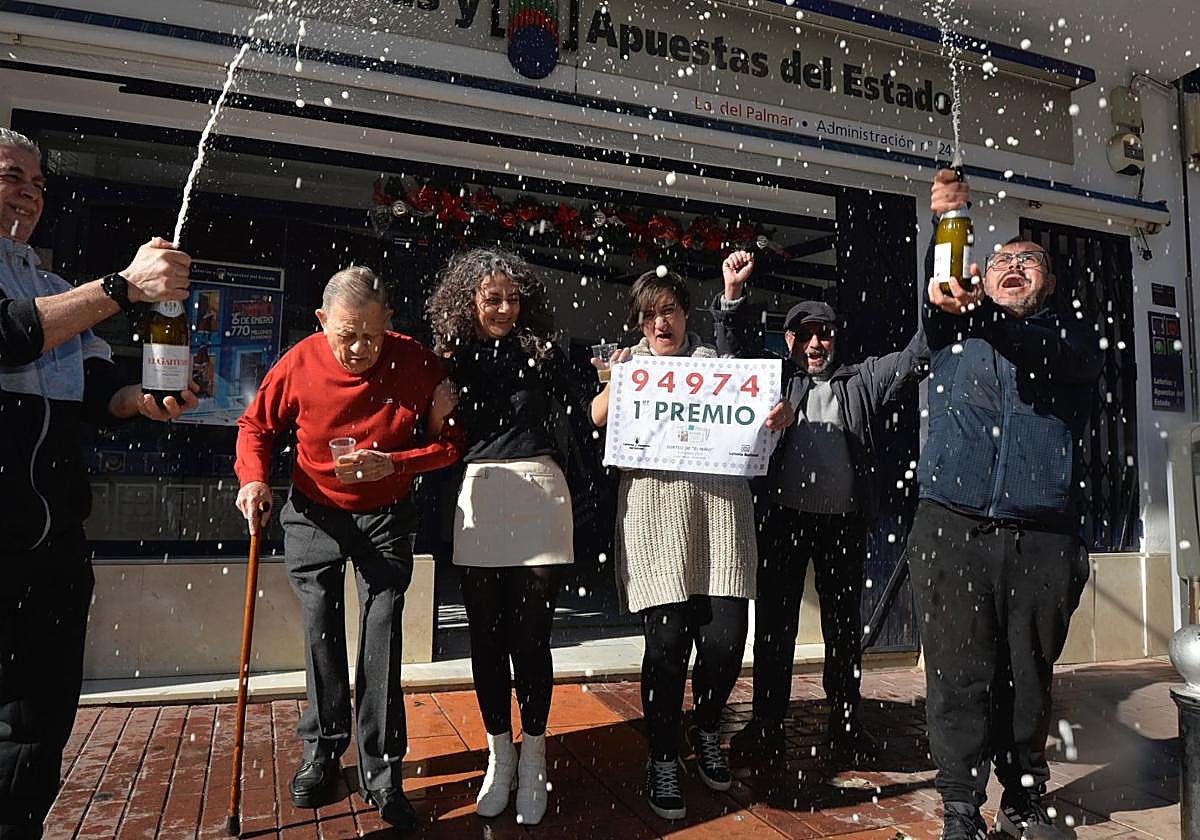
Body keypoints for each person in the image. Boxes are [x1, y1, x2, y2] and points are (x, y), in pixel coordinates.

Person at [0, 127, 196, 839]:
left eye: (39, 182)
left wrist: (146, 400)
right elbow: (12, 333)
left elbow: (96, 386)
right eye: (12, 175)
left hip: (52, 548)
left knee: (37, 729)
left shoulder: (55, 287)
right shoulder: (62, 298)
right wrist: (121, 287)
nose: (30, 190)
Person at [234, 266, 462, 830]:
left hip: (386, 513)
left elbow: (450, 443)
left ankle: (383, 769)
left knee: (382, 633)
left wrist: (398, 462)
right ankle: (323, 746)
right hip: (315, 511)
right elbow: (256, 427)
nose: (359, 348)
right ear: (322, 322)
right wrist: (253, 479)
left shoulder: (418, 363)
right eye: (346, 334)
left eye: (371, 334)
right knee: (320, 628)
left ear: (389, 322)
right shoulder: (300, 361)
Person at [911, 170, 1100, 840]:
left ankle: (1022, 794)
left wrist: (986, 312)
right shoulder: (954, 334)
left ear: (1048, 283)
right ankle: (960, 805)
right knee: (958, 674)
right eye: (1001, 261)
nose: (1014, 266)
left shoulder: (1071, 340)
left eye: (1029, 261)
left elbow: (1037, 350)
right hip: (952, 528)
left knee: (1026, 679)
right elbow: (944, 299)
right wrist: (949, 225)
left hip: (1043, 540)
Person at [590, 269, 792, 821]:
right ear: (640, 320)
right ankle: (661, 756)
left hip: (722, 523)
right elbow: (596, 418)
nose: (662, 321)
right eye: (651, 313)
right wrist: (616, 382)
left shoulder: (717, 368)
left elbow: (759, 423)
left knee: (727, 644)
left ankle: (705, 728)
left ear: (685, 315)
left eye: (671, 310)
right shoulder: (629, 366)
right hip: (656, 524)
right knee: (666, 647)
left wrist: (778, 418)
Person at [713, 250, 928, 767]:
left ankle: (847, 724)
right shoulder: (772, 385)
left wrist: (939, 300)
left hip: (842, 526)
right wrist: (733, 296)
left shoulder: (863, 380)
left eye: (824, 333)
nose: (816, 343)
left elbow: (917, 357)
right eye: (805, 335)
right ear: (789, 342)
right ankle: (766, 725)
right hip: (782, 522)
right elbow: (735, 354)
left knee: (843, 630)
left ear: (835, 338)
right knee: (775, 627)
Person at [425, 247, 597, 826]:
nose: (503, 308)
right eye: (492, 298)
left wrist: (619, 380)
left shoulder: (543, 354)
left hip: (540, 494)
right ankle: (501, 754)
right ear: (467, 300)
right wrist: (433, 414)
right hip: (481, 493)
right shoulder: (447, 359)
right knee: (485, 637)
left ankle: (535, 755)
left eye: (512, 298)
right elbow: (433, 435)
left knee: (531, 637)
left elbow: (584, 414)